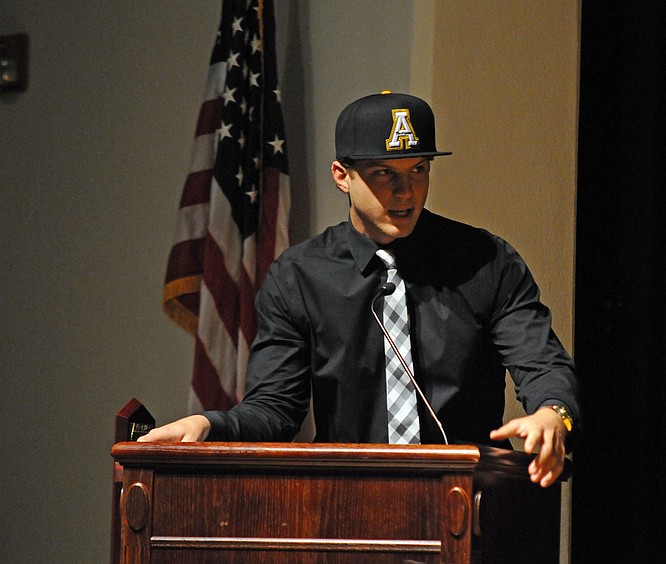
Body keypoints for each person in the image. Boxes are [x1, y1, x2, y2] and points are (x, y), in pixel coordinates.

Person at [140, 91, 580, 488]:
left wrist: (551, 413)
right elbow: (275, 410)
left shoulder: (486, 261)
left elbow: (541, 363)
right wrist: (209, 424)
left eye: (419, 170)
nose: (406, 191)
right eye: (384, 173)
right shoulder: (299, 277)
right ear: (341, 175)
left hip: (470, 500)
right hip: (348, 506)